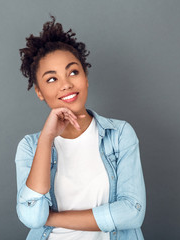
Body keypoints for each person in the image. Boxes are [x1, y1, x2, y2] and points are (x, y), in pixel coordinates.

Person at [15, 16, 146, 240]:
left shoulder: (120, 135)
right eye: (51, 79)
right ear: (39, 92)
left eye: (73, 72)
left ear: (85, 77)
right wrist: (46, 139)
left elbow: (132, 213)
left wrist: (53, 218)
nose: (65, 84)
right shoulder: (29, 147)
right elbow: (31, 216)